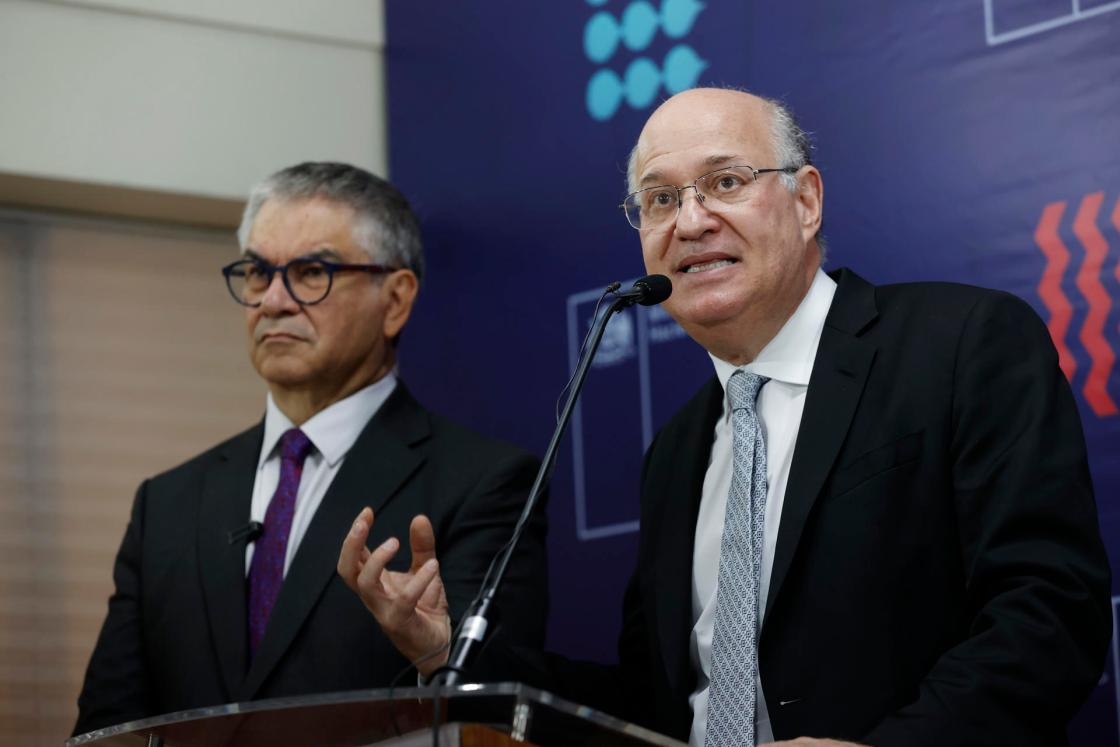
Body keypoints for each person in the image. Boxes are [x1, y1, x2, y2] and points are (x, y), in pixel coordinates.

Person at [338, 90, 1111, 746]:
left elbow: (1048, 612)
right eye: (661, 199)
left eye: (726, 182)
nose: (692, 220)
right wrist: (447, 652)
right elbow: (653, 707)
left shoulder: (961, 344)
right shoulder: (676, 450)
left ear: (806, 201)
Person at [74, 162, 548, 735]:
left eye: (311, 272)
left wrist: (433, 655)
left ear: (395, 300)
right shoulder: (167, 504)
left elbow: (496, 712)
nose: (273, 300)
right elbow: (108, 723)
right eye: (257, 272)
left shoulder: (484, 482)